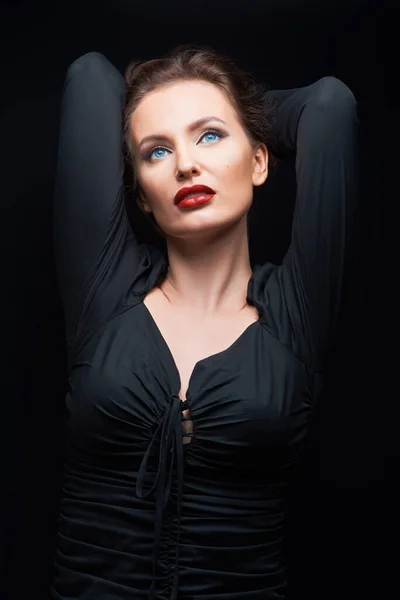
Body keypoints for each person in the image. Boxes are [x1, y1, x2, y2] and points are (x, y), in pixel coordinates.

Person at [51, 45, 359, 600]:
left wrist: (238, 106)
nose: (186, 164)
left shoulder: (294, 315)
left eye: (210, 136)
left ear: (260, 160)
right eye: (156, 151)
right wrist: (212, 117)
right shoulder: (104, 295)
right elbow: (89, 77)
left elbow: (330, 107)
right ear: (142, 197)